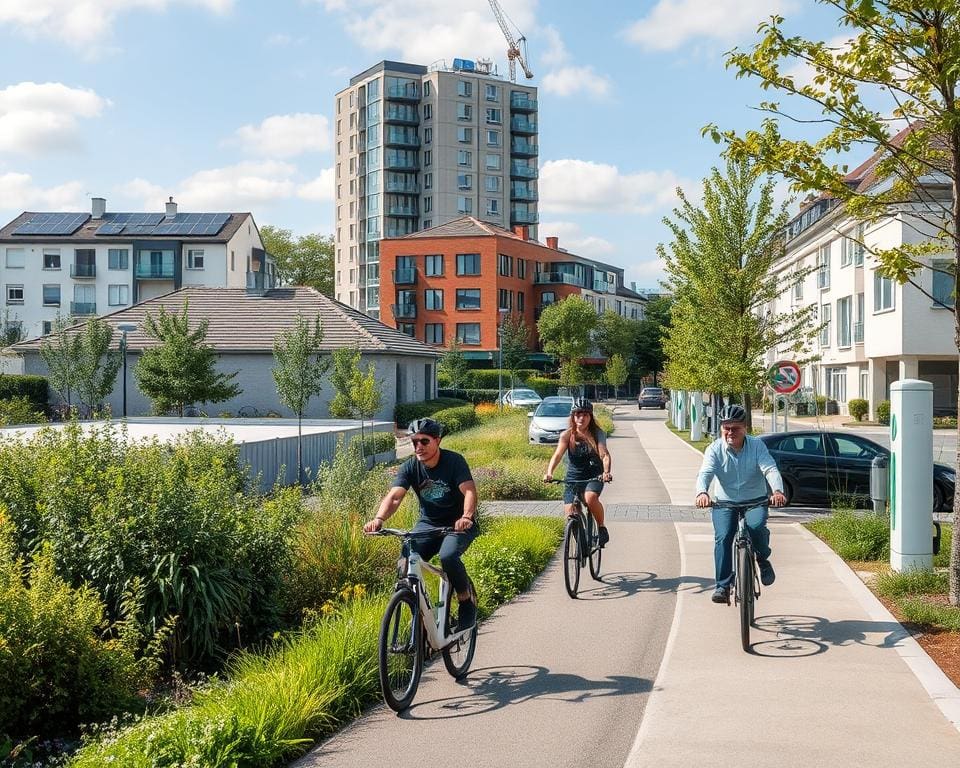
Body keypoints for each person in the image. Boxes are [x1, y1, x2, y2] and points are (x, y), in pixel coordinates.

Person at [364, 417, 480, 631]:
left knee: (448, 556)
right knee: (407, 558)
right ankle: (416, 611)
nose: (418, 447)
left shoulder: (454, 462)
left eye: (424, 441)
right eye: (414, 441)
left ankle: (466, 602)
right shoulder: (410, 467)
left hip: (457, 525)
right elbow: (395, 497)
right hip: (428, 524)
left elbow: (469, 491)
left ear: (437, 440)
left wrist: (466, 516)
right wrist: (379, 519)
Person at [694, 403, 786, 603]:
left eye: (735, 428)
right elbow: (705, 473)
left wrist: (777, 490)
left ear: (745, 428)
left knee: (756, 526)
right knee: (723, 537)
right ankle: (723, 586)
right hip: (725, 502)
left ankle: (762, 559)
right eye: (726, 427)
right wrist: (702, 492)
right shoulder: (714, 449)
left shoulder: (757, 446)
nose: (730, 432)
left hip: (755, 500)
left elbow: (769, 468)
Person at [543, 397, 613, 546]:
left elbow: (604, 455)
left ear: (590, 417)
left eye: (585, 414)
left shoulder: (597, 433)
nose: (581, 418)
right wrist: (549, 472)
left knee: (590, 498)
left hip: (594, 475)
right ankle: (581, 543)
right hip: (573, 477)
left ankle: (601, 528)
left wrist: (606, 472)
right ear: (573, 417)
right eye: (578, 414)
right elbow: (557, 455)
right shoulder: (567, 435)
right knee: (571, 511)